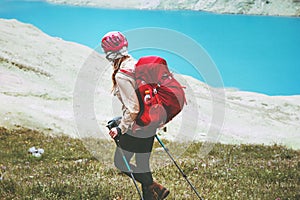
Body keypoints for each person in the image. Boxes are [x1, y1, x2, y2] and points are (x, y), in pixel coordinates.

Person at [101, 31, 170, 200]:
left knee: (120, 162)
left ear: (110, 54)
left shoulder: (122, 74)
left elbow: (133, 109)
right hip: (150, 123)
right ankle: (151, 196)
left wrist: (120, 128)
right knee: (142, 164)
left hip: (137, 127)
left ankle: (156, 187)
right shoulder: (136, 64)